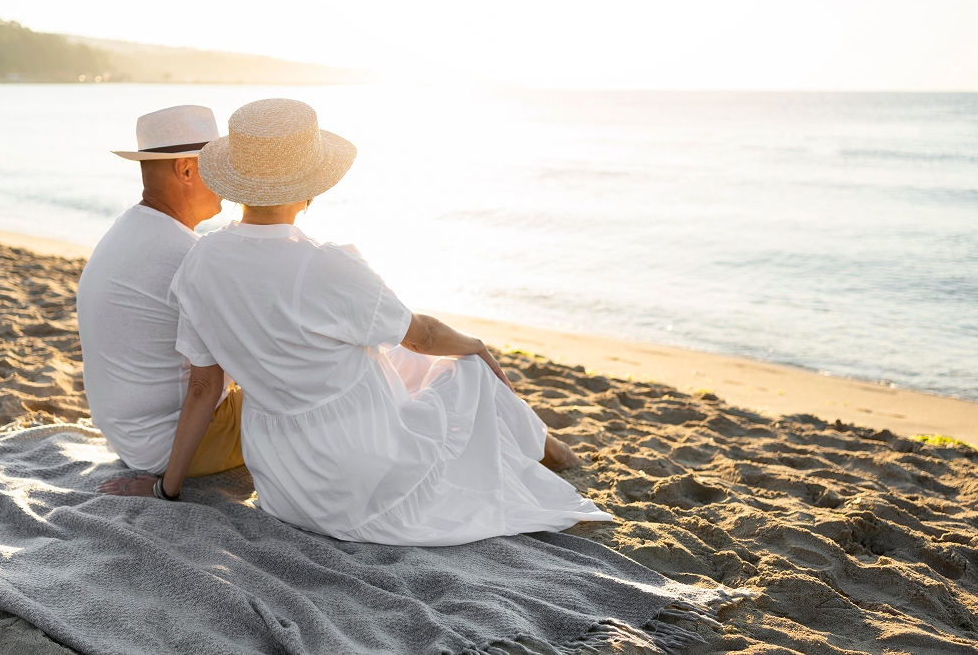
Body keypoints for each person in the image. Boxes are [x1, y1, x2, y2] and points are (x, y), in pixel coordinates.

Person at [101, 99, 612, 546]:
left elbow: (202, 386)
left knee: (390, 353)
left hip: (284, 488)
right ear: (309, 190)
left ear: (235, 183)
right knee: (466, 368)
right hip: (361, 473)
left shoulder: (199, 263)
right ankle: (553, 450)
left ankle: (546, 444)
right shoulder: (325, 264)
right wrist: (476, 344)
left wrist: (166, 486)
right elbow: (424, 334)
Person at [80, 105, 244, 481]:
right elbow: (220, 377)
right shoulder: (187, 254)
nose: (227, 181)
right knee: (308, 390)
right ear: (186, 170)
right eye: (217, 168)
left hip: (131, 438)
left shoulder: (128, 229)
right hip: (176, 446)